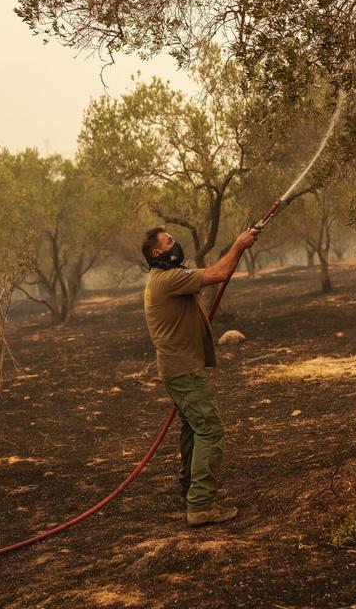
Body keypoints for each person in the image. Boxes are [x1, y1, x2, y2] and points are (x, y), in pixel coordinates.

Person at [141, 225, 258, 527]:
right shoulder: (168, 279)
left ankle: (191, 491)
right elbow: (220, 273)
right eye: (169, 242)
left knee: (193, 428)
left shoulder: (165, 279)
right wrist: (239, 245)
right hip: (183, 371)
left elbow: (215, 273)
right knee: (210, 429)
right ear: (158, 253)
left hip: (178, 368)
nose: (175, 244)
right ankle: (201, 505)